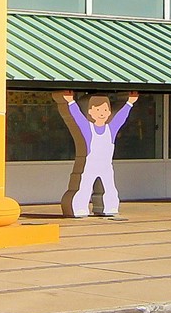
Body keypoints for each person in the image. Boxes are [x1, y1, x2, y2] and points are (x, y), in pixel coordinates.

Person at [57, 90, 137, 218]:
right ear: (90, 112)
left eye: (105, 110)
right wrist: (71, 102)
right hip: (89, 165)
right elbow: (77, 117)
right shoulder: (88, 128)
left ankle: (110, 207)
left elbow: (121, 118)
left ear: (110, 112)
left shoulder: (110, 129)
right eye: (98, 110)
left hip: (106, 166)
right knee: (84, 186)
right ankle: (79, 208)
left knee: (109, 187)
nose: (102, 114)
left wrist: (129, 104)